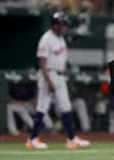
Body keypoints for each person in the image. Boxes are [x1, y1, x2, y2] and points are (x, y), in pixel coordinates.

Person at [26, 12, 90, 150]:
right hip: (48, 74)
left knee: (66, 107)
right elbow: (42, 62)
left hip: (60, 76)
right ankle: (32, 139)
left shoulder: (60, 38)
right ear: (55, 25)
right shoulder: (46, 39)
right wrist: (49, 81)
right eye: (63, 24)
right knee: (42, 107)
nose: (65, 27)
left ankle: (71, 139)